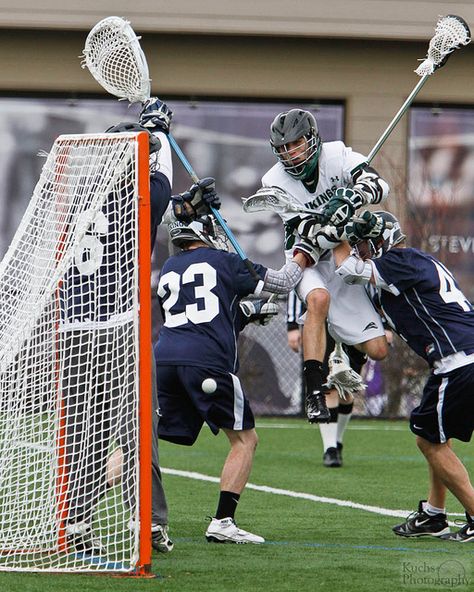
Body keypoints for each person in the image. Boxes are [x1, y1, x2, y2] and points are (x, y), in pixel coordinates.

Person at [63, 99, 196, 556]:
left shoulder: (82, 196)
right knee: (141, 425)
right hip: (122, 328)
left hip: (76, 328)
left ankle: (77, 521)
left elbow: (161, 200)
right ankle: (150, 521)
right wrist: (156, 132)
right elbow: (156, 188)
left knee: (91, 427)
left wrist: (186, 206)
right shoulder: (140, 192)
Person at [154, 208, 315, 544]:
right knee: (245, 440)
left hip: (164, 361)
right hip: (207, 363)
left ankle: (81, 507)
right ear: (207, 231)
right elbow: (286, 281)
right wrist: (305, 251)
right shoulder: (224, 262)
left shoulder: (170, 266)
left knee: (143, 441)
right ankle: (223, 522)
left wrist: (243, 313)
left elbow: (194, 316)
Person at [335, 209, 474, 541]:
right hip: (456, 360)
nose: (360, 251)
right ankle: (434, 515)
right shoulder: (408, 266)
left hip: (459, 360)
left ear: (381, 241)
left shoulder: (399, 260)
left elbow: (347, 269)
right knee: (432, 437)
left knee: (430, 441)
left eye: (364, 245)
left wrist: (331, 231)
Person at [259, 108, 389, 424]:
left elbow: (379, 185)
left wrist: (352, 196)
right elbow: (306, 237)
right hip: (306, 255)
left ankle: (344, 358)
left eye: (296, 143)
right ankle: (315, 393)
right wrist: (329, 226)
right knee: (318, 299)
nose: (290, 153)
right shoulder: (273, 181)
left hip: (343, 255)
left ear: (313, 139)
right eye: (284, 148)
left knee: (378, 349)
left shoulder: (336, 154)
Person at [286, 290, 362, 467]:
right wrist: (292, 324)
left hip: (355, 319)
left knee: (347, 391)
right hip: (321, 322)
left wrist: (384, 325)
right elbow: (297, 280)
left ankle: (337, 441)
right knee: (328, 384)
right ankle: (330, 449)